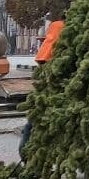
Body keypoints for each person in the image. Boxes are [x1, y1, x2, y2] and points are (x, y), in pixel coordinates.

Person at [18, 13, 65, 160]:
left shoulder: (56, 26)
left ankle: (28, 155)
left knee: (35, 119)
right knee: (38, 119)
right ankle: (29, 155)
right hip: (54, 72)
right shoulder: (63, 28)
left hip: (48, 69)